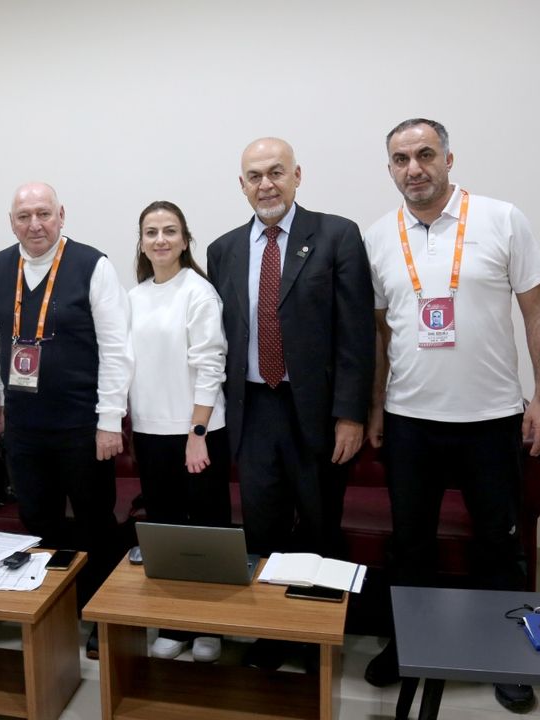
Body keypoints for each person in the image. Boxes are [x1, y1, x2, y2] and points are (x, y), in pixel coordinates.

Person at [361, 119, 540, 714]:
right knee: (410, 545)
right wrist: (375, 406)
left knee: (498, 545)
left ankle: (505, 656)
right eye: (401, 159)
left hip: (491, 418)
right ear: (390, 169)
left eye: (425, 154)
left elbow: (539, 313)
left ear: (449, 159)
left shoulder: (502, 219)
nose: (414, 168)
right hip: (409, 420)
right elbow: (380, 333)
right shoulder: (378, 237)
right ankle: (408, 645)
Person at [205, 138, 374, 670]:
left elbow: (356, 334)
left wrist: (351, 414)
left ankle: (319, 637)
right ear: (242, 185)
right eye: (254, 176)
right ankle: (274, 635)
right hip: (254, 409)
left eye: (276, 172)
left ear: (297, 175)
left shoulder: (337, 235)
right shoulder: (223, 250)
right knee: (262, 528)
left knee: (320, 525)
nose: (266, 185)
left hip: (318, 411)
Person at [0, 182, 133, 658]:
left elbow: (116, 348)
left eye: (43, 214)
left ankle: (99, 613)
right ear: (12, 222)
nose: (35, 224)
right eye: (24, 216)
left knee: (94, 522)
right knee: (38, 521)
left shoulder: (93, 265)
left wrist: (110, 420)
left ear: (61, 215)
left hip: (81, 426)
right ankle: (52, 609)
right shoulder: (1, 265)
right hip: (24, 427)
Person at [127, 201, 230, 663]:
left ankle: (211, 626)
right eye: (151, 232)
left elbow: (210, 364)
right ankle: (174, 622)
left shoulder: (199, 292)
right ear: (142, 242)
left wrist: (197, 432)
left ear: (185, 240)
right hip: (150, 432)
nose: (161, 240)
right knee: (165, 533)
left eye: (170, 231)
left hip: (198, 433)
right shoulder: (134, 297)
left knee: (206, 533)